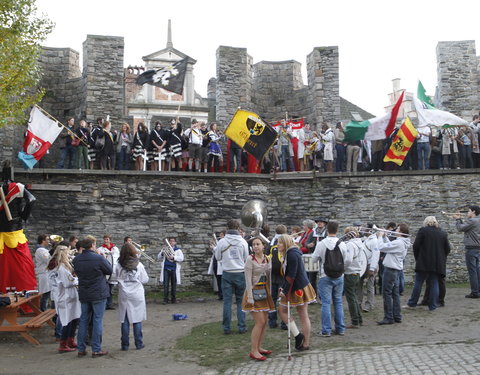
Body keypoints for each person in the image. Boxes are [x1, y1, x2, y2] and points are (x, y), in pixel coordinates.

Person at [0, 161, 37, 294]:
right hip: (15, 233)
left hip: (7, 235)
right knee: (23, 271)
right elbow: (31, 200)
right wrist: (23, 216)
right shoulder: (18, 187)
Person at [73, 237, 112, 357]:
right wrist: (104, 257)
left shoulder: (77, 259)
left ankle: (81, 348)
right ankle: (96, 349)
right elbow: (109, 270)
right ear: (92, 245)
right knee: (97, 320)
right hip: (98, 292)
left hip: (84, 292)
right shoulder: (98, 257)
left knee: (84, 320)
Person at [277, 234, 315, 350]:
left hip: (297, 288)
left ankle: (303, 340)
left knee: (294, 312)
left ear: (286, 243)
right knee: (300, 314)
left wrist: (285, 290)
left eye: (280, 242)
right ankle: (300, 337)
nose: (278, 245)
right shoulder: (292, 252)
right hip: (298, 285)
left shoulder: (292, 254)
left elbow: (291, 275)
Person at [312, 221, 349, 337]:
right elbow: (347, 261)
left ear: (327, 230)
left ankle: (326, 330)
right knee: (338, 302)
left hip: (325, 275)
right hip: (339, 276)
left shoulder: (322, 244)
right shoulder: (342, 244)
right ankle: (340, 328)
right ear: (337, 230)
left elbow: (313, 259)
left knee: (326, 303)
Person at [406, 216, 450, 310]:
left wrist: (418, 258)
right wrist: (441, 258)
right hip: (436, 263)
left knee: (419, 282)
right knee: (434, 283)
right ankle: (433, 305)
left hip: (423, 261)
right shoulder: (442, 233)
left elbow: (416, 246)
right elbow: (447, 249)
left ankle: (412, 303)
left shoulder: (423, 231)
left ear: (426, 222)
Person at [242, 237, 275, 361]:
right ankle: (253, 350)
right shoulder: (250, 259)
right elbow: (248, 280)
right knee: (259, 322)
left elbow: (269, 277)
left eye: (258, 244)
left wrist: (271, 293)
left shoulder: (267, 259)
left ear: (263, 246)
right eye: (253, 244)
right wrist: (250, 297)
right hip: (253, 292)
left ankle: (259, 347)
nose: (255, 246)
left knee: (265, 322)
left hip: (264, 292)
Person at [214, 219, 249, 334]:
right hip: (240, 273)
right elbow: (246, 259)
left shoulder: (222, 242)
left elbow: (218, 257)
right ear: (238, 228)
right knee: (240, 301)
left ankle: (226, 328)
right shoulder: (243, 242)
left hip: (227, 273)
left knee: (227, 302)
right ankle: (242, 326)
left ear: (227, 228)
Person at [114, 242, 149, 351]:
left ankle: (125, 345)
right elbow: (145, 279)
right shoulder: (138, 264)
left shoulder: (119, 265)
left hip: (124, 293)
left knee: (125, 319)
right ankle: (139, 343)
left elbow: (115, 277)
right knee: (137, 319)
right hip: (136, 293)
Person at [376, 223, 410, 325]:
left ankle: (388, 317)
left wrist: (380, 236)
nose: (395, 230)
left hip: (390, 270)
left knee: (387, 293)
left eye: (397, 229)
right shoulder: (400, 242)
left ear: (401, 232)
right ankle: (397, 316)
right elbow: (388, 247)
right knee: (394, 294)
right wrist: (386, 237)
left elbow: (380, 247)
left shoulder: (399, 243)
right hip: (394, 270)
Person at [52, 245, 81, 353]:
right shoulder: (61, 268)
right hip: (65, 298)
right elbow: (67, 283)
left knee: (74, 319)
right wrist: (77, 280)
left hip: (71, 297)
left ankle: (70, 340)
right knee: (67, 321)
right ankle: (63, 344)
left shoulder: (66, 266)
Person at [454, 205, 480, 298]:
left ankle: (475, 292)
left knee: (472, 271)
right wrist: (460, 219)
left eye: (468, 211)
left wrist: (458, 219)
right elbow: (465, 227)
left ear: (473, 212)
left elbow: (460, 228)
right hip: (478, 248)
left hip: (471, 248)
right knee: (477, 270)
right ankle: (478, 290)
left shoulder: (473, 221)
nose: (467, 213)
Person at [343, 227, 364, 328]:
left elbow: (348, 260)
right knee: (354, 297)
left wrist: (342, 268)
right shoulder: (359, 243)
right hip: (356, 272)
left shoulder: (351, 244)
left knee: (351, 298)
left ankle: (355, 321)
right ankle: (359, 319)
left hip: (350, 272)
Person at [157, 237, 184, 304]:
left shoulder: (178, 250)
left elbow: (181, 258)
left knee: (173, 285)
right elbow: (158, 257)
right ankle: (165, 299)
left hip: (174, 269)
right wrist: (162, 252)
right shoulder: (165, 249)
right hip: (166, 269)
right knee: (165, 285)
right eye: (170, 241)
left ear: (175, 242)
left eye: (173, 241)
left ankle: (173, 299)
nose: (171, 242)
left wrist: (174, 257)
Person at [97, 234, 120, 310]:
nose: (106, 241)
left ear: (110, 240)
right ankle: (106, 304)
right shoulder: (100, 249)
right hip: (105, 272)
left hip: (113, 272)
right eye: (105, 239)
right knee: (105, 289)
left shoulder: (115, 249)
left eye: (107, 239)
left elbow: (118, 259)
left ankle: (109, 304)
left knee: (110, 290)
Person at [34, 234, 51, 311]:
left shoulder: (43, 250)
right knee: (45, 293)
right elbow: (48, 260)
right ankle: (43, 310)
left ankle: (44, 310)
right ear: (43, 241)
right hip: (44, 273)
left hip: (46, 273)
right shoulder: (40, 250)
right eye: (47, 239)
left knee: (47, 293)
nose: (48, 241)